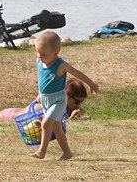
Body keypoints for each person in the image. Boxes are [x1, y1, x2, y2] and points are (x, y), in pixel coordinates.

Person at [31, 31, 98, 160]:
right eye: (37, 52)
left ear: (55, 54)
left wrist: (91, 83)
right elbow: (42, 80)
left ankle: (41, 151)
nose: (39, 56)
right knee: (57, 128)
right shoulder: (40, 61)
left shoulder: (61, 65)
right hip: (46, 99)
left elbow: (77, 73)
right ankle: (67, 152)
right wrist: (40, 94)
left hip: (58, 100)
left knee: (46, 124)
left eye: (43, 54)